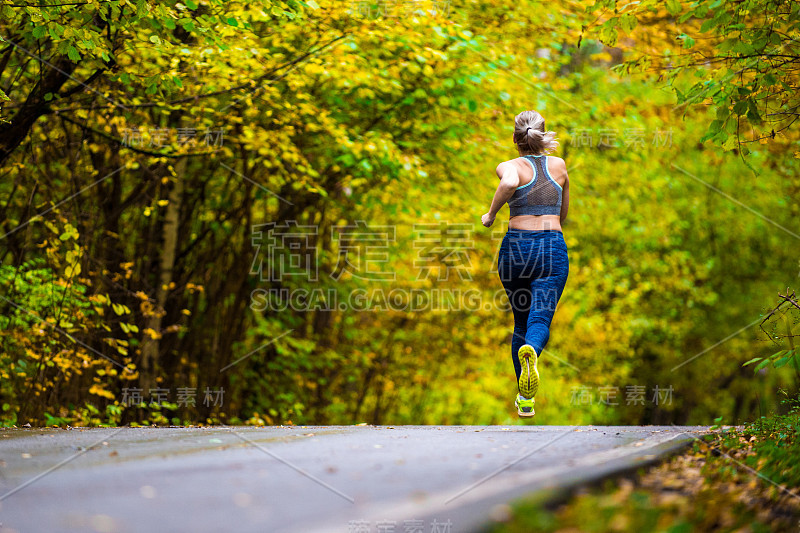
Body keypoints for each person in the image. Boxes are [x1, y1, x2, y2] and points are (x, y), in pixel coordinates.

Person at [481, 110, 570, 418]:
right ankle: (532, 353)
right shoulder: (558, 166)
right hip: (550, 249)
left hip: (515, 251)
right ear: (542, 136)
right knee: (539, 322)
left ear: (515, 138)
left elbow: (508, 183)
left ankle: (524, 398)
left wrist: (491, 215)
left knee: (519, 321)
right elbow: (564, 214)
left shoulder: (509, 166)